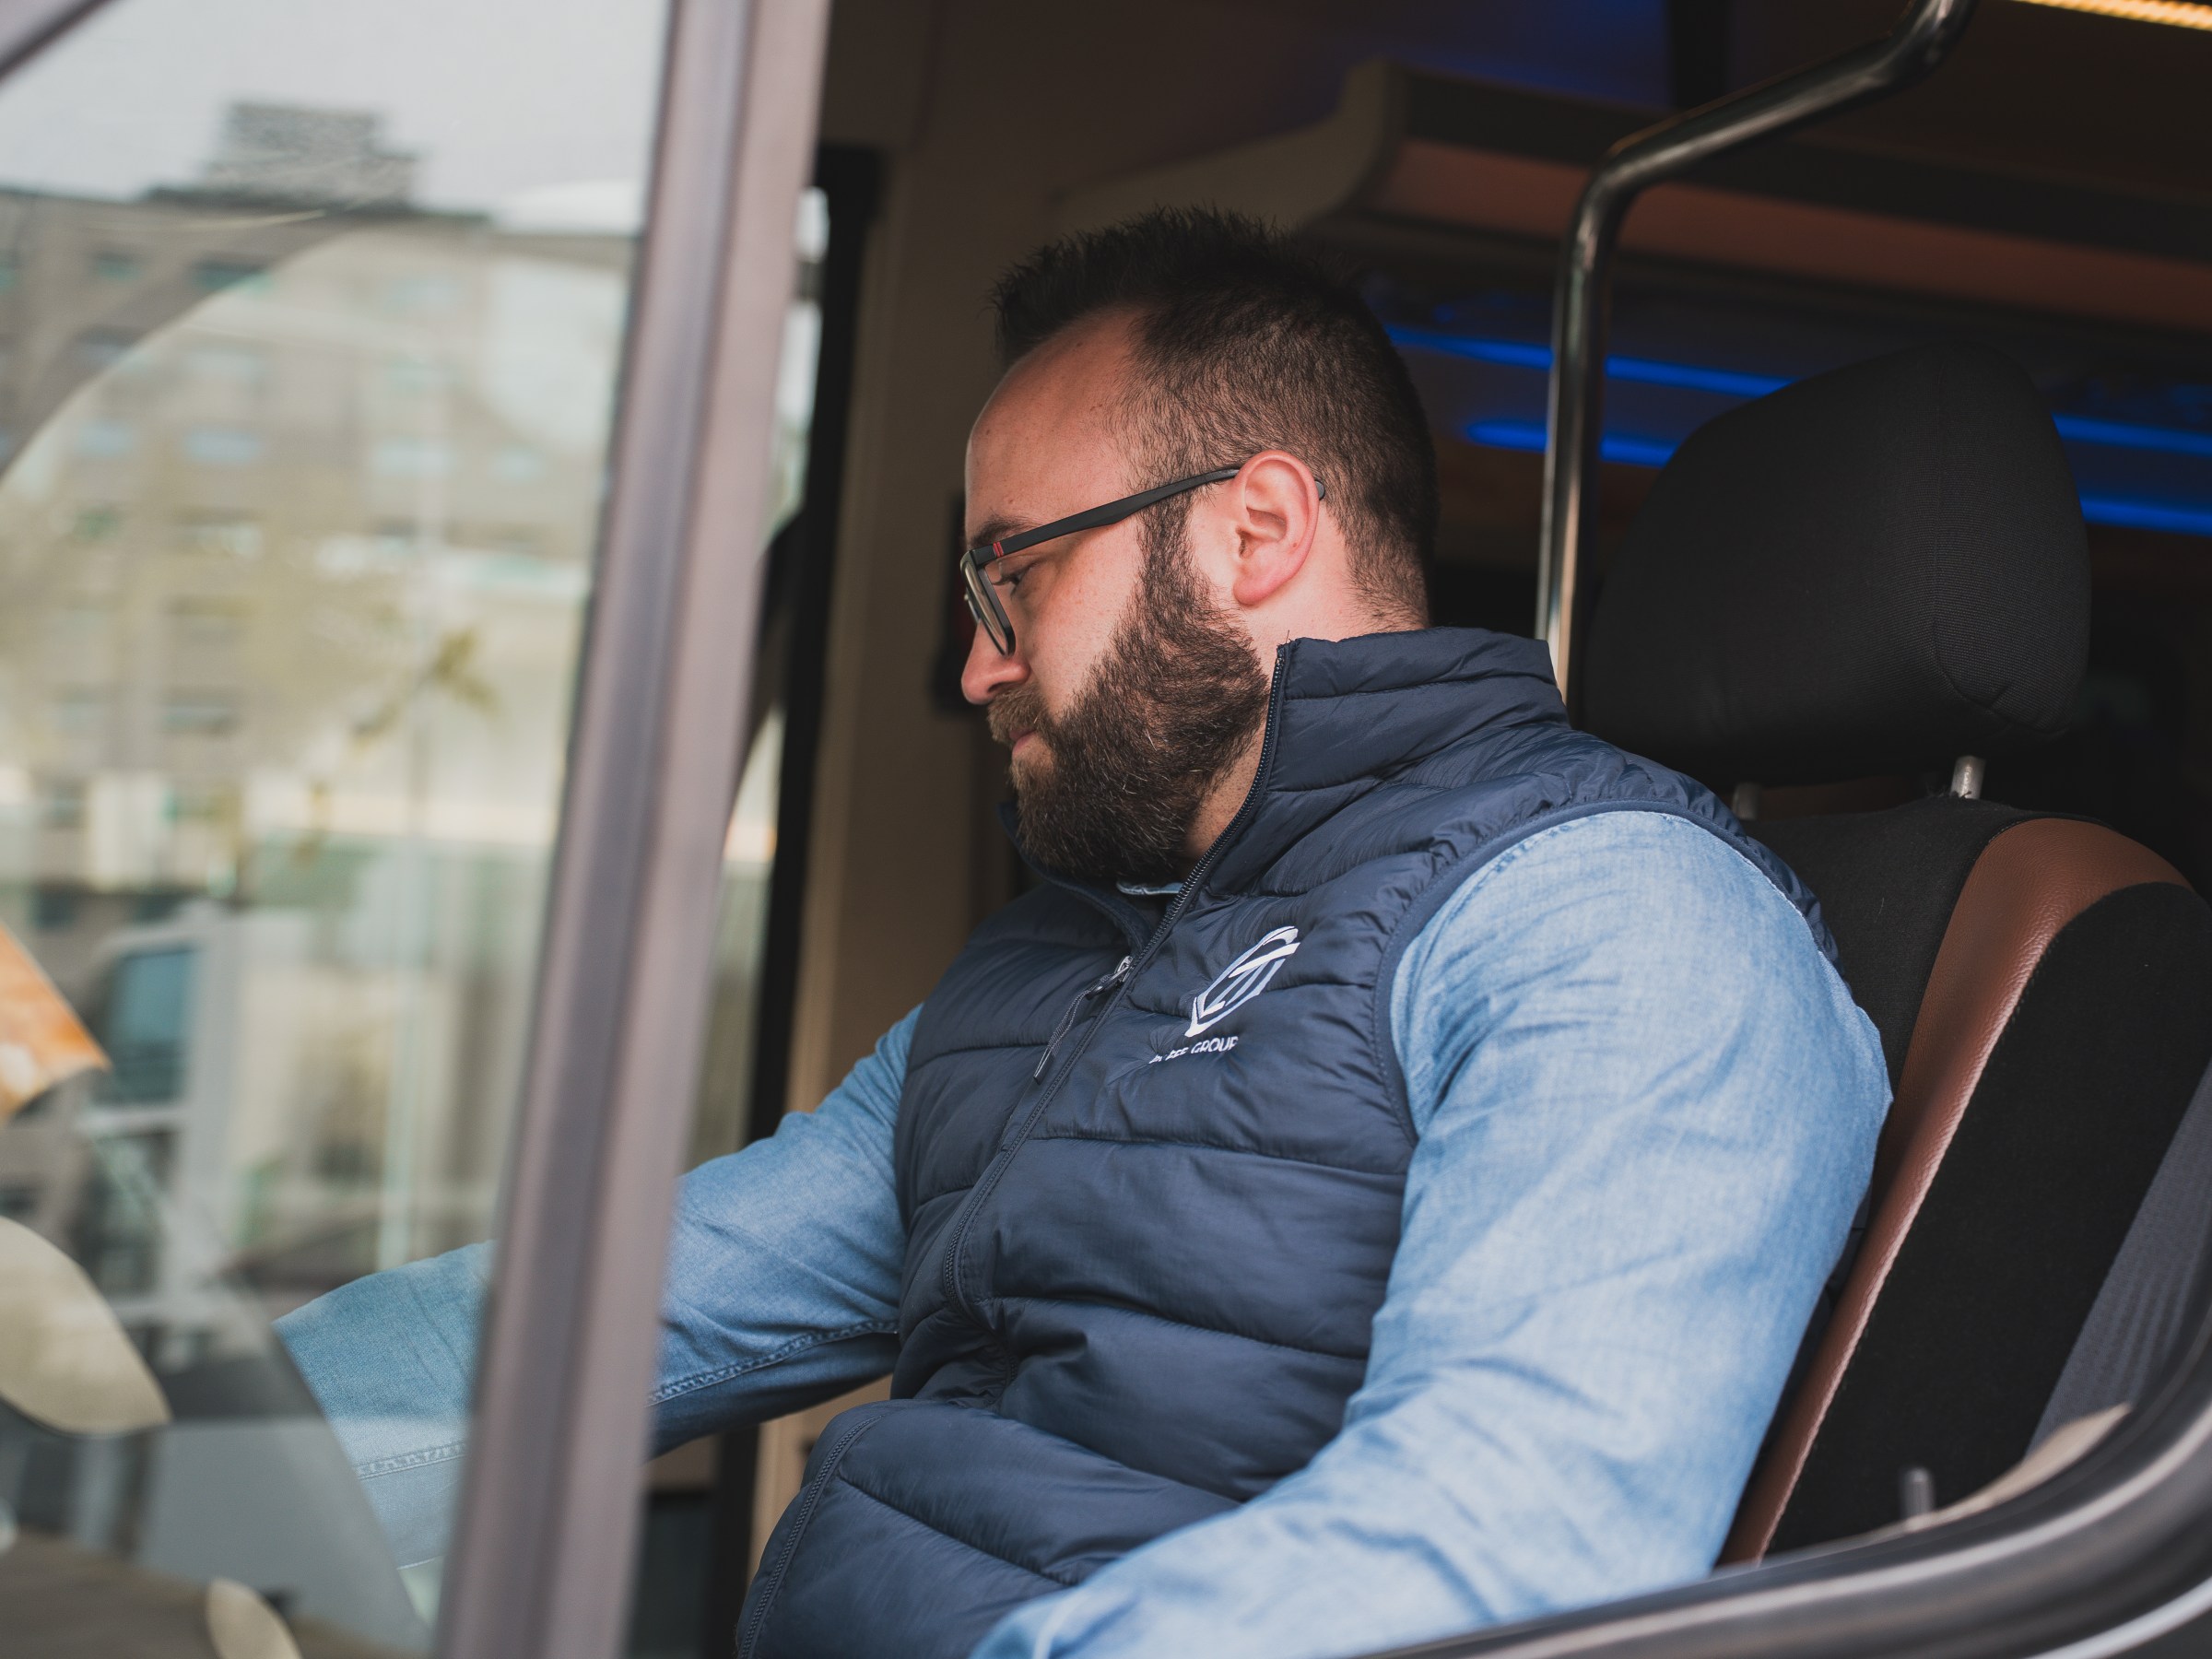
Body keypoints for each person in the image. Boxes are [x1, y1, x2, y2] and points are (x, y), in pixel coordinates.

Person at [277, 207, 1888, 1659]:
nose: (976, 668)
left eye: (1011, 580)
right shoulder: (1054, 967)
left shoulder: (1617, 914)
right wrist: (164, 1470)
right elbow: (635, 1311)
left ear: (1256, 531)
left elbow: (1497, 1554)